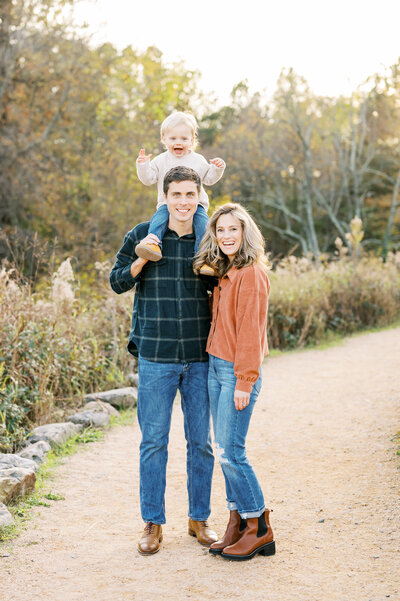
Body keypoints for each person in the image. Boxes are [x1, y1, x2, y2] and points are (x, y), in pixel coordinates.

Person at [110, 166, 218, 556]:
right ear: (166, 197)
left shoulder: (210, 239)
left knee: (200, 443)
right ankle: (153, 523)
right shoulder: (143, 235)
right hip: (155, 355)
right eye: (177, 195)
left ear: (199, 197)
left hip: (199, 355)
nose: (184, 202)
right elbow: (117, 280)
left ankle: (199, 519)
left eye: (191, 195)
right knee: (153, 442)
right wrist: (141, 263)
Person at [193, 203, 276, 561]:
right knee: (223, 449)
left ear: (245, 233)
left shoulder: (251, 273)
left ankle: (259, 527)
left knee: (231, 451)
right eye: (220, 230)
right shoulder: (227, 272)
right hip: (216, 367)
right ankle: (235, 522)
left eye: (233, 230)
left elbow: (250, 333)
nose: (226, 236)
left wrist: (244, 380)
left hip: (235, 373)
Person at [135, 111, 225, 275]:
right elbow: (148, 179)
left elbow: (209, 179)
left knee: (203, 227)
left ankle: (204, 260)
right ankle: (153, 244)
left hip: (195, 205)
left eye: (184, 139)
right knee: (158, 221)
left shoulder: (197, 160)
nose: (179, 142)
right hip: (166, 205)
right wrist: (143, 165)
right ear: (164, 139)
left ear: (192, 140)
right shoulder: (161, 160)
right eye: (173, 138)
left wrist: (217, 168)